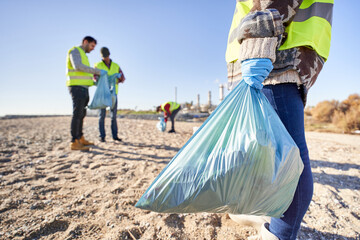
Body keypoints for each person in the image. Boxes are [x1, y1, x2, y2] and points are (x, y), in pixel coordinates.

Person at [225, 0, 333, 239]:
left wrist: (257, 48)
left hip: (273, 57)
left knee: (288, 160)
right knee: (270, 154)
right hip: (273, 56)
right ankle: (262, 214)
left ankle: (279, 233)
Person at [66, 36, 107, 151]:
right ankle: (74, 141)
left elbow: (85, 73)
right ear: (85, 42)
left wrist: (94, 82)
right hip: (76, 87)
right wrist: (97, 71)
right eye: (92, 46)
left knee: (81, 114)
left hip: (84, 87)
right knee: (77, 113)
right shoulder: (75, 51)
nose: (93, 49)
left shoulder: (84, 55)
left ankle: (80, 137)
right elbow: (78, 66)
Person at [94, 47, 125, 142]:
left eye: (106, 56)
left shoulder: (116, 66)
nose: (106, 58)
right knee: (101, 116)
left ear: (109, 55)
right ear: (101, 56)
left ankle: (115, 136)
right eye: (104, 57)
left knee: (113, 116)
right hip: (102, 94)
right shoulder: (97, 65)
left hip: (113, 94)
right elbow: (94, 78)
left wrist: (117, 79)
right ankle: (102, 136)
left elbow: (123, 78)